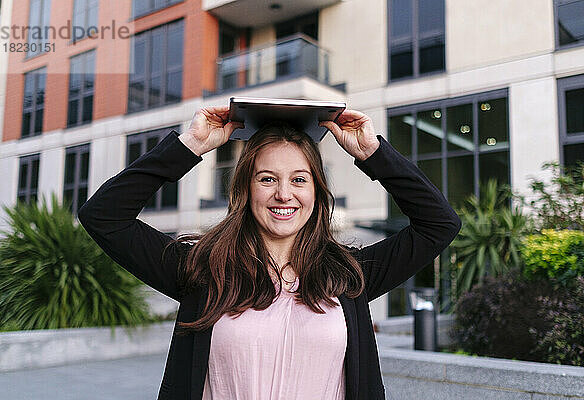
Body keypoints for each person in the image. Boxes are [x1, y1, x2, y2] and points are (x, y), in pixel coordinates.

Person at [78, 106, 461, 400]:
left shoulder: (349, 275)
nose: (284, 194)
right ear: (246, 189)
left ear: (316, 192)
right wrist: (189, 146)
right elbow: (104, 215)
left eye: (299, 179)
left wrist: (373, 154)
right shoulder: (204, 269)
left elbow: (439, 223)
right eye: (267, 179)